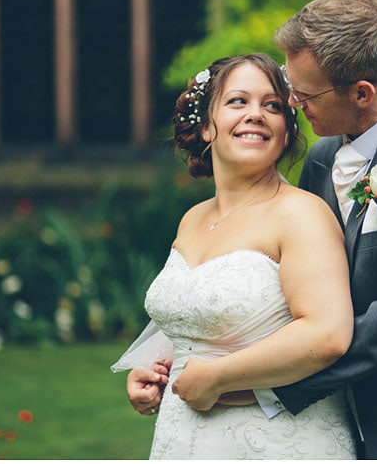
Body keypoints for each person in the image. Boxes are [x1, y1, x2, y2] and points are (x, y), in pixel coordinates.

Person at [129, 0, 377, 459]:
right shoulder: (326, 157)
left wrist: (258, 387)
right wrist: (166, 363)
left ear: (361, 93)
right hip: (330, 409)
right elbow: (281, 291)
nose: (291, 102)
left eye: (301, 93)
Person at [114, 53, 358, 459]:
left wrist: (216, 377)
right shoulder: (193, 220)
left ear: (285, 132)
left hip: (277, 441)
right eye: (238, 101)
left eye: (273, 105)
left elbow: (326, 334)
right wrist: (155, 368)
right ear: (207, 126)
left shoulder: (301, 214)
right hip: (183, 438)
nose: (256, 114)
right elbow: (195, 316)